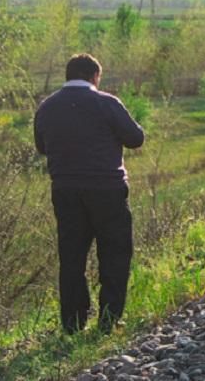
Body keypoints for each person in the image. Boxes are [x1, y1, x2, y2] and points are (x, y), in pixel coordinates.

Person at [34, 53, 144, 334]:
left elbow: (42, 147)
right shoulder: (107, 103)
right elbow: (135, 139)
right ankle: (108, 320)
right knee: (115, 253)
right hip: (107, 189)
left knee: (71, 257)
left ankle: (73, 324)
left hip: (66, 191)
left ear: (68, 76)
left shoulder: (47, 108)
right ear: (95, 76)